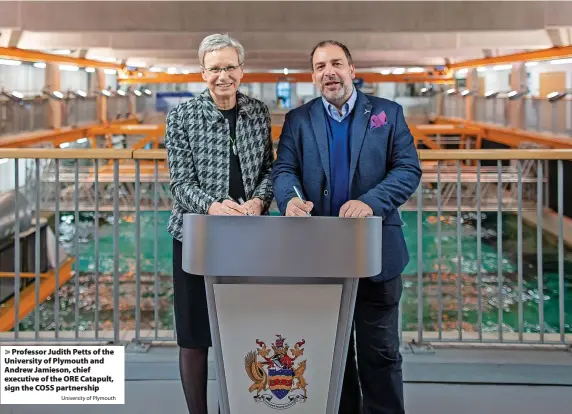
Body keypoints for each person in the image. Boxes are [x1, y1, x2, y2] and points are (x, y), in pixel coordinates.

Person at [272, 40, 422, 414]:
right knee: (329, 353)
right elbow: (284, 169)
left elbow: (408, 170)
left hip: (376, 252)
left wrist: (370, 202)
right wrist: (290, 199)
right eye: (320, 66)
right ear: (313, 76)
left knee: (381, 353)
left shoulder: (388, 113)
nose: (329, 72)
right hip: (320, 254)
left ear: (352, 70)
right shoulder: (299, 119)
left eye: (336, 63)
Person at [164, 33, 274, 414]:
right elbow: (180, 184)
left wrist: (260, 200)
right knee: (194, 337)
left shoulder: (258, 113)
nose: (223, 76)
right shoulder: (181, 116)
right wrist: (212, 207)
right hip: (196, 237)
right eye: (215, 69)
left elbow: (268, 170)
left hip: (246, 236)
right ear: (202, 74)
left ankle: (241, 405)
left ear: (241, 71)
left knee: (241, 331)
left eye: (229, 67)